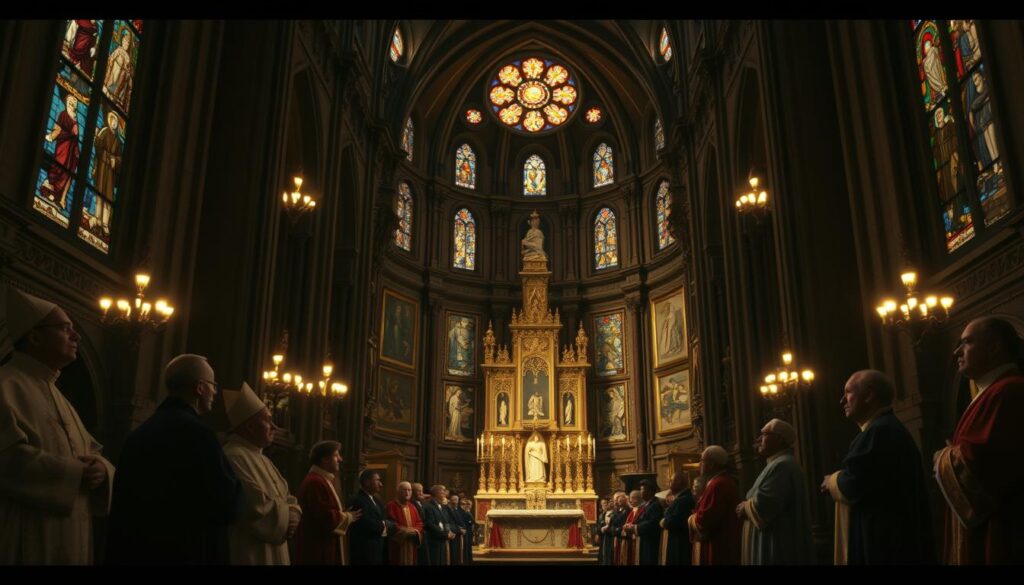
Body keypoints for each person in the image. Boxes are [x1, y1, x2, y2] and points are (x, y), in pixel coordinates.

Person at [0, 287, 114, 564]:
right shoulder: (7, 385)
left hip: (71, 530)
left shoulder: (58, 395)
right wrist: (75, 474)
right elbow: (6, 459)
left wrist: (102, 469)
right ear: (35, 336)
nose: (75, 336)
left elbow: (89, 448)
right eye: (65, 329)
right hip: (27, 531)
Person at [106, 354, 243, 564]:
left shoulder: (140, 434)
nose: (215, 391)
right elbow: (226, 503)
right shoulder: (199, 435)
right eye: (213, 385)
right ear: (200, 388)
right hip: (188, 550)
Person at [935, 317, 1024, 564]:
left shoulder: (1009, 391)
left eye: (967, 343)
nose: (956, 352)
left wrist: (941, 457)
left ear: (994, 348)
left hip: (1004, 529)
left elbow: (982, 463)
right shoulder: (994, 390)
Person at [821, 370, 934, 565]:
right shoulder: (885, 428)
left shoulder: (878, 432)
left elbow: (854, 483)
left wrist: (832, 481)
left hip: (886, 543)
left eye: (848, 392)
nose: (842, 400)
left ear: (869, 395)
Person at [221, 382, 301, 565]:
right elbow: (254, 507)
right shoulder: (234, 456)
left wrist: (295, 512)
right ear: (249, 426)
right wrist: (288, 518)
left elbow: (287, 496)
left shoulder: (263, 459)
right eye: (267, 420)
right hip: (251, 551)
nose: (274, 427)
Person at [736, 419, 814, 565]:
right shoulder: (777, 463)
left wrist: (745, 507)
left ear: (779, 439)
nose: (758, 439)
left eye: (764, 434)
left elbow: (765, 505)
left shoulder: (782, 465)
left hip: (775, 544)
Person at [294, 440, 362, 565]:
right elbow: (325, 517)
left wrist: (342, 514)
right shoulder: (315, 482)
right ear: (325, 459)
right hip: (318, 547)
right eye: (336, 455)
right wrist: (348, 517)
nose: (340, 459)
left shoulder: (322, 480)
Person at [688, 445, 740, 565]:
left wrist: (691, 519)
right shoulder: (720, 481)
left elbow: (705, 519)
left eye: (702, 460)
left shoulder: (718, 484)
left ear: (711, 464)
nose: (700, 464)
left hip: (719, 542)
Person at [39, 94, 80, 209]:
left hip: (71, 150)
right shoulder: (63, 114)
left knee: (68, 172)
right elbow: (58, 129)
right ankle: (50, 189)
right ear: (67, 102)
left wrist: (77, 151)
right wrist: (51, 137)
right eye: (71, 101)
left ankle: (59, 197)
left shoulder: (75, 119)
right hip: (63, 146)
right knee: (59, 166)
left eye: (74, 102)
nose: (72, 103)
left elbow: (76, 137)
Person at [348, 469, 396, 565]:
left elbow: (386, 519)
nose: (381, 484)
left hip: (378, 549)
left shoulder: (377, 500)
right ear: (367, 482)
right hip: (364, 552)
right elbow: (367, 524)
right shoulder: (358, 500)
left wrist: (386, 524)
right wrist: (385, 525)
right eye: (377, 480)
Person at [623, 479, 664, 565]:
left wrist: (635, 527)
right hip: (645, 541)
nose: (641, 492)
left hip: (651, 543)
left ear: (650, 491)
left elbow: (652, 523)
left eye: (643, 489)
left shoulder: (655, 505)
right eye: (641, 489)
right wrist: (632, 525)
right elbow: (641, 519)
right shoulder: (647, 504)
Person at [659, 471, 695, 565]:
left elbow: (671, 522)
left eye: (671, 481)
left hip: (680, 544)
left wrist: (664, 521)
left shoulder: (682, 500)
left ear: (678, 482)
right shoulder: (683, 498)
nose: (669, 484)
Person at [385, 481, 423, 565]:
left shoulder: (412, 506)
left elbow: (419, 522)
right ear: (398, 491)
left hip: (411, 543)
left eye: (409, 490)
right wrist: (406, 531)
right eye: (404, 490)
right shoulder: (391, 505)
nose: (407, 493)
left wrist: (415, 531)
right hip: (398, 544)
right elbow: (390, 523)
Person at [91, 111, 122, 203]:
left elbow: (120, 157)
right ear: (109, 121)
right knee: (99, 188)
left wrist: (115, 160)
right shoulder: (104, 131)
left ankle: (104, 216)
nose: (114, 123)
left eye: (116, 122)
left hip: (110, 171)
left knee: (108, 193)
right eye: (113, 121)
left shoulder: (118, 141)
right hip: (102, 165)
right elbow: (98, 146)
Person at [421, 485, 455, 565]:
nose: (445, 493)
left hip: (442, 540)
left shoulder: (442, 506)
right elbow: (430, 524)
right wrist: (445, 534)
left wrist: (449, 531)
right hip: (433, 541)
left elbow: (446, 521)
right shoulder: (428, 506)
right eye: (442, 491)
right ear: (436, 493)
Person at [103, 30, 134, 109]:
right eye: (125, 42)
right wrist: (111, 61)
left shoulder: (127, 57)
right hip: (113, 72)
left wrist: (127, 71)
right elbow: (111, 59)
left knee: (118, 83)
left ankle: (114, 96)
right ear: (122, 41)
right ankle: (107, 88)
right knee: (112, 80)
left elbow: (128, 69)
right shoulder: (118, 50)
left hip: (121, 77)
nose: (126, 44)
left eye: (128, 43)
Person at [410, 482, 430, 565]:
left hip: (424, 534)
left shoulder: (422, 503)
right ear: (413, 492)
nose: (421, 493)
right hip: (417, 534)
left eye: (422, 491)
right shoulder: (411, 504)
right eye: (419, 491)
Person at [459, 498, 474, 564]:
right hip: (466, 531)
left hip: (469, 532)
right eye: (466, 504)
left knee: (468, 547)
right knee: (466, 548)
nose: (468, 506)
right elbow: (469, 522)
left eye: (469, 504)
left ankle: (469, 560)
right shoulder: (465, 512)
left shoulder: (468, 512)